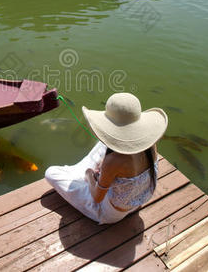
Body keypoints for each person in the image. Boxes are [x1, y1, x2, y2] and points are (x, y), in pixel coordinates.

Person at [45, 92, 168, 224]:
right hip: (136, 201)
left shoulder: (114, 161)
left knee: (51, 173)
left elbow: (97, 197)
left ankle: (81, 173)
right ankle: (83, 172)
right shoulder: (149, 144)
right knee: (102, 144)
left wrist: (89, 176)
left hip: (112, 213)